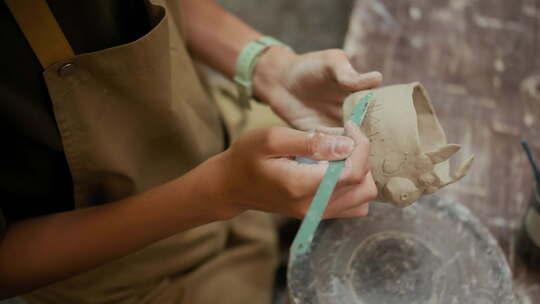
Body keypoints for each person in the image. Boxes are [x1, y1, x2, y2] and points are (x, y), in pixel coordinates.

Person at [0, 0, 382, 303]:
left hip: (203, 130)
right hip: (116, 264)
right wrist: (219, 192)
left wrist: (270, 67)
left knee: (370, 150)